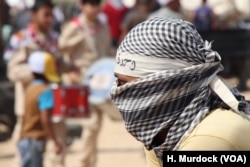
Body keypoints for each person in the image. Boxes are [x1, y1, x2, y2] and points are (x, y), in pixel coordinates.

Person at [111, 17, 250, 167]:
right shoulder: (161, 133)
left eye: (125, 84)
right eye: (118, 81)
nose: (118, 91)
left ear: (166, 86)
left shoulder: (209, 139)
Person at [4, 1, 71, 166]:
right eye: (45, 15)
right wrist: (36, 73)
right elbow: (13, 71)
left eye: (51, 15)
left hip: (53, 105)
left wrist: (70, 68)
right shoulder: (22, 40)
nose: (49, 20)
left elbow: (58, 65)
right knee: (26, 155)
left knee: (57, 152)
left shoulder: (55, 39)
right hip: (29, 109)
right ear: (33, 15)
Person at [59, 0, 115, 167]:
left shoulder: (103, 26)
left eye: (96, 3)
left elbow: (107, 51)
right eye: (90, 3)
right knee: (91, 125)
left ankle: (90, 162)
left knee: (96, 126)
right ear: (82, 6)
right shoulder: (74, 27)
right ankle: (84, 162)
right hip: (83, 84)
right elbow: (60, 51)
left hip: (101, 84)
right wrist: (70, 71)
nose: (94, 7)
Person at [19, 51, 63, 167]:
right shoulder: (45, 91)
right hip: (35, 141)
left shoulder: (29, 88)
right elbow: (45, 120)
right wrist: (55, 142)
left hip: (24, 140)